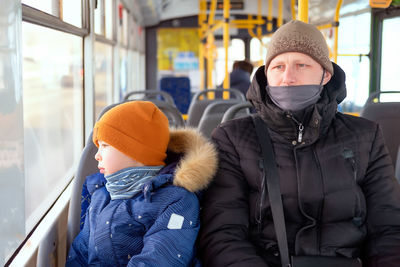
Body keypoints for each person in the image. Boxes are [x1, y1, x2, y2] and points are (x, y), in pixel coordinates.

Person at [199, 20, 400, 266]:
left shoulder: (365, 136)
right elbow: (223, 233)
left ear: (326, 74)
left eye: (301, 65)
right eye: (278, 66)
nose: (287, 78)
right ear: (266, 75)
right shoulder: (233, 138)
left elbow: (388, 228)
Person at [66, 101, 218, 266]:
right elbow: (80, 253)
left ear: (135, 151)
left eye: (104, 146)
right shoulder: (100, 195)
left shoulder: (177, 201)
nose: (97, 155)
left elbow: (159, 258)